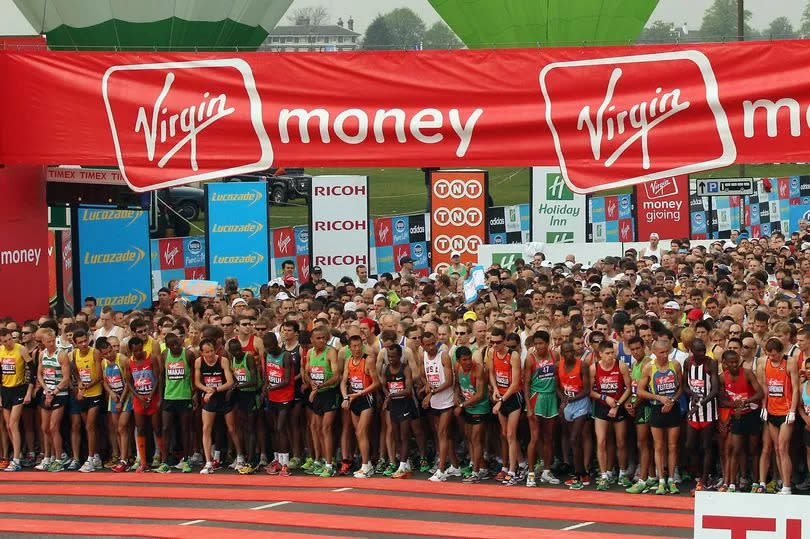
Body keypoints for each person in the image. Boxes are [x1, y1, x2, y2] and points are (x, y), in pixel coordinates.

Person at [638, 340, 683, 495]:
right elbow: (640, 391)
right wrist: (659, 398)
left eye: (667, 352)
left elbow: (681, 387)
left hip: (673, 408)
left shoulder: (675, 365)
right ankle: (661, 480)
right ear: (654, 352)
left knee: (672, 446)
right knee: (658, 446)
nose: (665, 355)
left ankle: (671, 479)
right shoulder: (649, 367)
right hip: (657, 409)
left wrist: (672, 400)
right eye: (662, 352)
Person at [756, 337, 799, 495]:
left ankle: (787, 485)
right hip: (772, 411)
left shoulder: (790, 362)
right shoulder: (764, 362)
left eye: (774, 355)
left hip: (786, 412)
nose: (772, 357)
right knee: (776, 448)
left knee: (782, 448)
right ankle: (783, 483)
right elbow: (765, 386)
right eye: (769, 354)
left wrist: (793, 410)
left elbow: (795, 388)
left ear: (780, 352)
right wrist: (764, 406)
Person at [717, 349, 763, 492]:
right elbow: (721, 400)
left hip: (752, 414)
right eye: (732, 362)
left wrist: (745, 402)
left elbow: (760, 393)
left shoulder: (748, 373)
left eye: (737, 361)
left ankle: (755, 482)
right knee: (735, 450)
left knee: (754, 449)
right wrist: (733, 405)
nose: (736, 364)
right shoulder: (722, 378)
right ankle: (731, 483)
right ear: (725, 364)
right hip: (737, 417)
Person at [589, 340, 632, 490]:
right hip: (602, 407)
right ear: (600, 354)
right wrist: (604, 398)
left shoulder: (620, 365)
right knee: (601, 441)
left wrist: (618, 404)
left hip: (618, 406)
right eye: (607, 353)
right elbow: (589, 391)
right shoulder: (594, 368)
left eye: (612, 353)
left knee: (621, 442)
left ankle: (622, 473)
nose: (610, 356)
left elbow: (628, 388)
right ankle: (604, 475)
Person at [123, 336, 168, 473]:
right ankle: (143, 461)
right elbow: (129, 382)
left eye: (140, 349)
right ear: (130, 351)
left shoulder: (152, 358)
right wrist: (139, 397)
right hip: (138, 400)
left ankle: (163, 459)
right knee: (141, 429)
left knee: (157, 428)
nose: (138, 353)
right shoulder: (128, 362)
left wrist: (154, 396)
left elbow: (159, 378)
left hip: (152, 398)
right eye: (135, 351)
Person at [194, 338, 237, 475]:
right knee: (206, 428)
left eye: (212, 351)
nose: (210, 354)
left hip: (223, 397)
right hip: (210, 398)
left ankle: (240, 457)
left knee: (232, 429)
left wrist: (215, 389)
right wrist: (207, 390)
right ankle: (208, 462)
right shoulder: (199, 362)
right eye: (207, 352)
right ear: (202, 353)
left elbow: (230, 382)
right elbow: (197, 382)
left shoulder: (222, 360)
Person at [487, 327, 523, 486]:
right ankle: (519, 462)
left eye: (498, 342)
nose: (494, 345)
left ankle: (513, 470)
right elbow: (491, 373)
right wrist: (495, 389)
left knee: (510, 434)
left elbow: (515, 383)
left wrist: (501, 400)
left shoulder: (513, 355)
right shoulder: (491, 353)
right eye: (492, 342)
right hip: (500, 395)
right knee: (504, 433)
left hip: (512, 397)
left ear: (505, 341)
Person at [683, 338, 720, 495]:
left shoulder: (710, 363)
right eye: (698, 350)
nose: (702, 353)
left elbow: (715, 390)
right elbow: (684, 385)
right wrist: (691, 394)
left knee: (706, 446)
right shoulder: (687, 363)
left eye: (703, 350)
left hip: (708, 410)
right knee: (689, 445)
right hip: (694, 410)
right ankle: (701, 475)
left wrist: (700, 403)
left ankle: (704, 480)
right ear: (691, 350)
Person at [341, 334, 381, 478]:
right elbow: (344, 381)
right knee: (359, 433)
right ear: (349, 348)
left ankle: (366, 465)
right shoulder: (348, 360)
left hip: (366, 398)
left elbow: (376, 383)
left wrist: (360, 393)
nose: (357, 349)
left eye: (359, 346)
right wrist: (346, 397)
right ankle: (367, 463)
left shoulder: (368, 360)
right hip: (354, 400)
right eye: (354, 346)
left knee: (360, 432)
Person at [423, 331, 460, 482]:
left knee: (442, 434)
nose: (431, 347)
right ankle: (455, 467)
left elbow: (449, 381)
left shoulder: (443, 355)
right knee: (445, 435)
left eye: (433, 343)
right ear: (423, 345)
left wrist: (431, 393)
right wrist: (426, 385)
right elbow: (422, 374)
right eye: (428, 345)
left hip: (446, 401)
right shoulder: (424, 356)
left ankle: (441, 469)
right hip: (435, 402)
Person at [304, 326, 341, 478]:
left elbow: (336, 376)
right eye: (318, 338)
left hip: (329, 393)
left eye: (324, 338)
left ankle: (329, 464)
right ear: (312, 340)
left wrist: (319, 386)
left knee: (326, 428)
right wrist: (310, 383)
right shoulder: (310, 352)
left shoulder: (331, 351)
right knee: (317, 428)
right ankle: (320, 460)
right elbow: (305, 372)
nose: (321, 340)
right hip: (317, 393)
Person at [524, 330, 559, 486]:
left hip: (551, 397)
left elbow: (558, 378)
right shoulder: (530, 359)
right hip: (537, 398)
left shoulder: (554, 355)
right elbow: (526, 384)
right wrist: (528, 407)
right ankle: (530, 473)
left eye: (541, 343)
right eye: (535, 343)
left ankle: (546, 471)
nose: (538, 346)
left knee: (549, 437)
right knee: (535, 437)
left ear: (547, 343)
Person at [34, 328, 69, 472]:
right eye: (48, 341)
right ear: (43, 342)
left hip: (59, 394)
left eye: (53, 340)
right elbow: (40, 375)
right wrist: (46, 389)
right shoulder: (42, 354)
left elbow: (66, 379)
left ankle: (59, 458)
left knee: (54, 427)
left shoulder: (61, 355)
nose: (51, 343)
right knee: (44, 428)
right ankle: (49, 456)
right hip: (47, 392)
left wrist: (54, 392)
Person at [557, 340, 591, 490]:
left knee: (574, 437)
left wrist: (572, 398)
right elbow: (557, 386)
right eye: (566, 351)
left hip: (581, 403)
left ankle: (580, 474)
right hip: (568, 404)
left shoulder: (582, 365)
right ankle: (581, 473)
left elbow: (587, 389)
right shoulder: (558, 366)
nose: (569, 353)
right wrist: (563, 399)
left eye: (571, 350)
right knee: (573, 440)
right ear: (562, 353)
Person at [97, 337, 133, 473]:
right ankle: (123, 456)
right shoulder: (103, 363)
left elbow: (129, 383)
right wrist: (111, 393)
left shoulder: (122, 359)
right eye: (105, 353)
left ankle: (124, 459)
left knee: (122, 426)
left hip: (125, 396)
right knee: (117, 429)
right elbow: (105, 381)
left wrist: (122, 400)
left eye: (110, 351)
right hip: (114, 397)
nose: (109, 355)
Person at [624, 336, 656, 494]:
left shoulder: (648, 363)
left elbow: (645, 391)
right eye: (633, 349)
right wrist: (628, 403)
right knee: (645, 444)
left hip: (646, 407)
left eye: (638, 348)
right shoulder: (635, 364)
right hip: (638, 406)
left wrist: (634, 404)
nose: (636, 352)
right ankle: (651, 476)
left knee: (643, 443)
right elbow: (634, 389)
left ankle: (643, 479)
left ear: (644, 347)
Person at [69, 330, 103, 473]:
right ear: (75, 343)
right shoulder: (75, 354)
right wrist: (79, 384)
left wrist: (87, 386)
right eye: (80, 342)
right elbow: (76, 372)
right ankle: (96, 457)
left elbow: (100, 375)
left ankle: (89, 459)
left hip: (95, 393)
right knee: (88, 427)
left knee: (90, 426)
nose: (84, 344)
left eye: (85, 341)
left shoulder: (94, 352)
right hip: (83, 394)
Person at [454, 345, 489, 483]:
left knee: (476, 439)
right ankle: (482, 467)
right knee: (469, 438)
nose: (468, 362)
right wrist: (457, 395)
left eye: (469, 359)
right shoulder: (458, 369)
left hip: (480, 407)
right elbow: (457, 384)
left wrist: (462, 405)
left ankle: (475, 473)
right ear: (458, 361)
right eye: (464, 360)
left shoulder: (478, 370)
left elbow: (480, 395)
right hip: (468, 408)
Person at [161, 333, 195, 473]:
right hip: (169, 397)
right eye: (172, 345)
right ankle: (164, 461)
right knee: (165, 429)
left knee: (185, 429)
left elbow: (195, 374)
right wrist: (160, 397)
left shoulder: (188, 354)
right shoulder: (164, 355)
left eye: (178, 344)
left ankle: (186, 460)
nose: (176, 347)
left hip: (184, 396)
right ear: (168, 346)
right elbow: (162, 375)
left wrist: (195, 394)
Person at [263, 331, 294, 476]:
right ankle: (277, 460)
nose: (268, 349)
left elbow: (287, 380)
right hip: (272, 397)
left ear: (276, 344)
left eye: (270, 346)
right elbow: (266, 374)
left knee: (281, 428)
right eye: (266, 347)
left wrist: (272, 387)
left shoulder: (285, 355)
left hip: (285, 396)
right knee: (274, 429)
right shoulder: (266, 354)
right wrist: (265, 387)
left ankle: (285, 463)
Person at [228, 338, 258, 472]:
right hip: (240, 396)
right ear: (231, 352)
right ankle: (245, 457)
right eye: (234, 351)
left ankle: (252, 460)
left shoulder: (249, 357)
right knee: (242, 427)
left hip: (251, 395)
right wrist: (235, 386)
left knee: (251, 428)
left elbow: (254, 380)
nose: (238, 353)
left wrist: (237, 386)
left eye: (239, 349)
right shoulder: (233, 360)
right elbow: (235, 378)